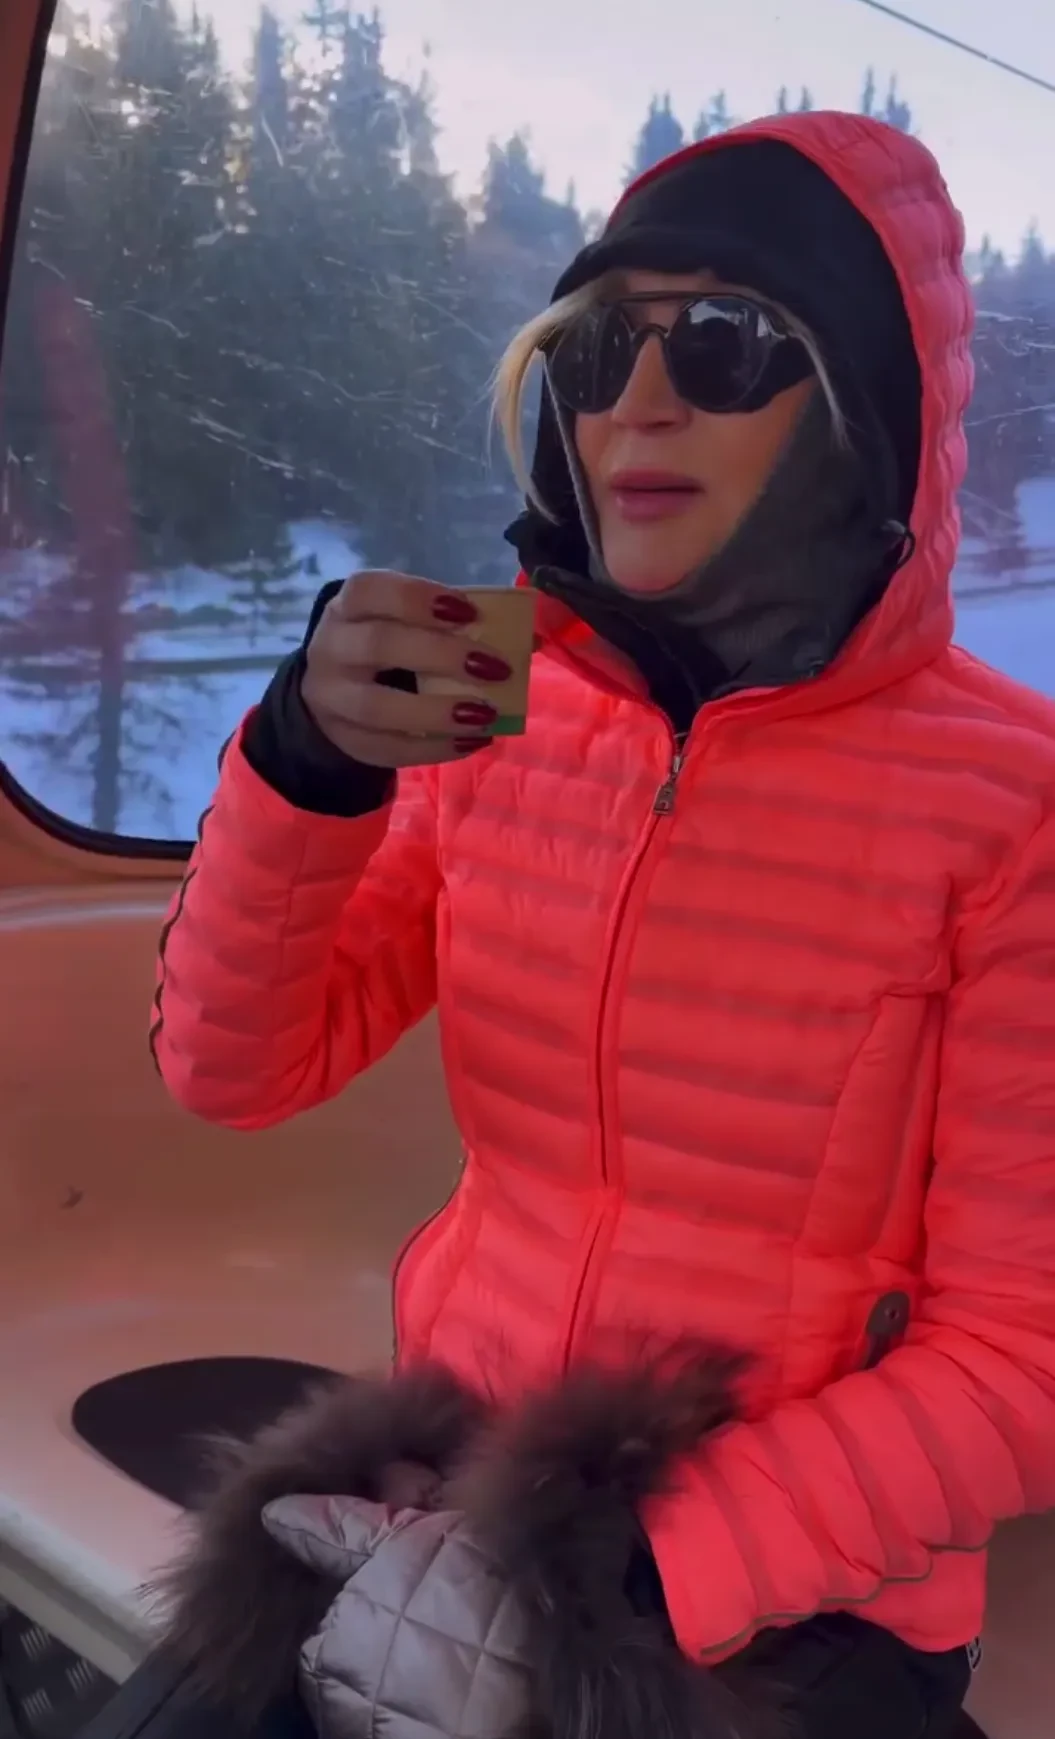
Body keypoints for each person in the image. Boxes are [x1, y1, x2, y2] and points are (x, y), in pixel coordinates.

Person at [149, 108, 1055, 1739]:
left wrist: (630, 1569)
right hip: (449, 1477)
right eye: (590, 347)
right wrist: (305, 767)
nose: (635, 399)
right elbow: (238, 1069)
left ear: (864, 402)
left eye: (721, 344)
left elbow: (1021, 1357)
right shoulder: (504, 707)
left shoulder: (1014, 803)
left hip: (796, 1588)